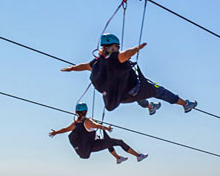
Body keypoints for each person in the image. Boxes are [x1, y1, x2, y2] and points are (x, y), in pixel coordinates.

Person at [61, 34, 197, 115]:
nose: (118, 49)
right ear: (112, 47)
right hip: (134, 90)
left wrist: (72, 68)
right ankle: (185, 104)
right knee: (158, 90)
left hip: (121, 97)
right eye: (117, 46)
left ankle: (151, 107)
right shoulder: (116, 58)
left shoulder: (97, 63)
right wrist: (136, 49)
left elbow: (84, 66)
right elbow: (125, 54)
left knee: (140, 96)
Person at [49, 103, 147, 163]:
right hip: (92, 146)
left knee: (108, 141)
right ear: (85, 111)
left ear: (77, 112)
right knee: (119, 142)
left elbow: (66, 129)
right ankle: (138, 156)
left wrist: (55, 133)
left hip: (86, 149)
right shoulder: (87, 121)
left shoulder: (75, 123)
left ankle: (118, 158)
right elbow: (96, 125)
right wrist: (106, 128)